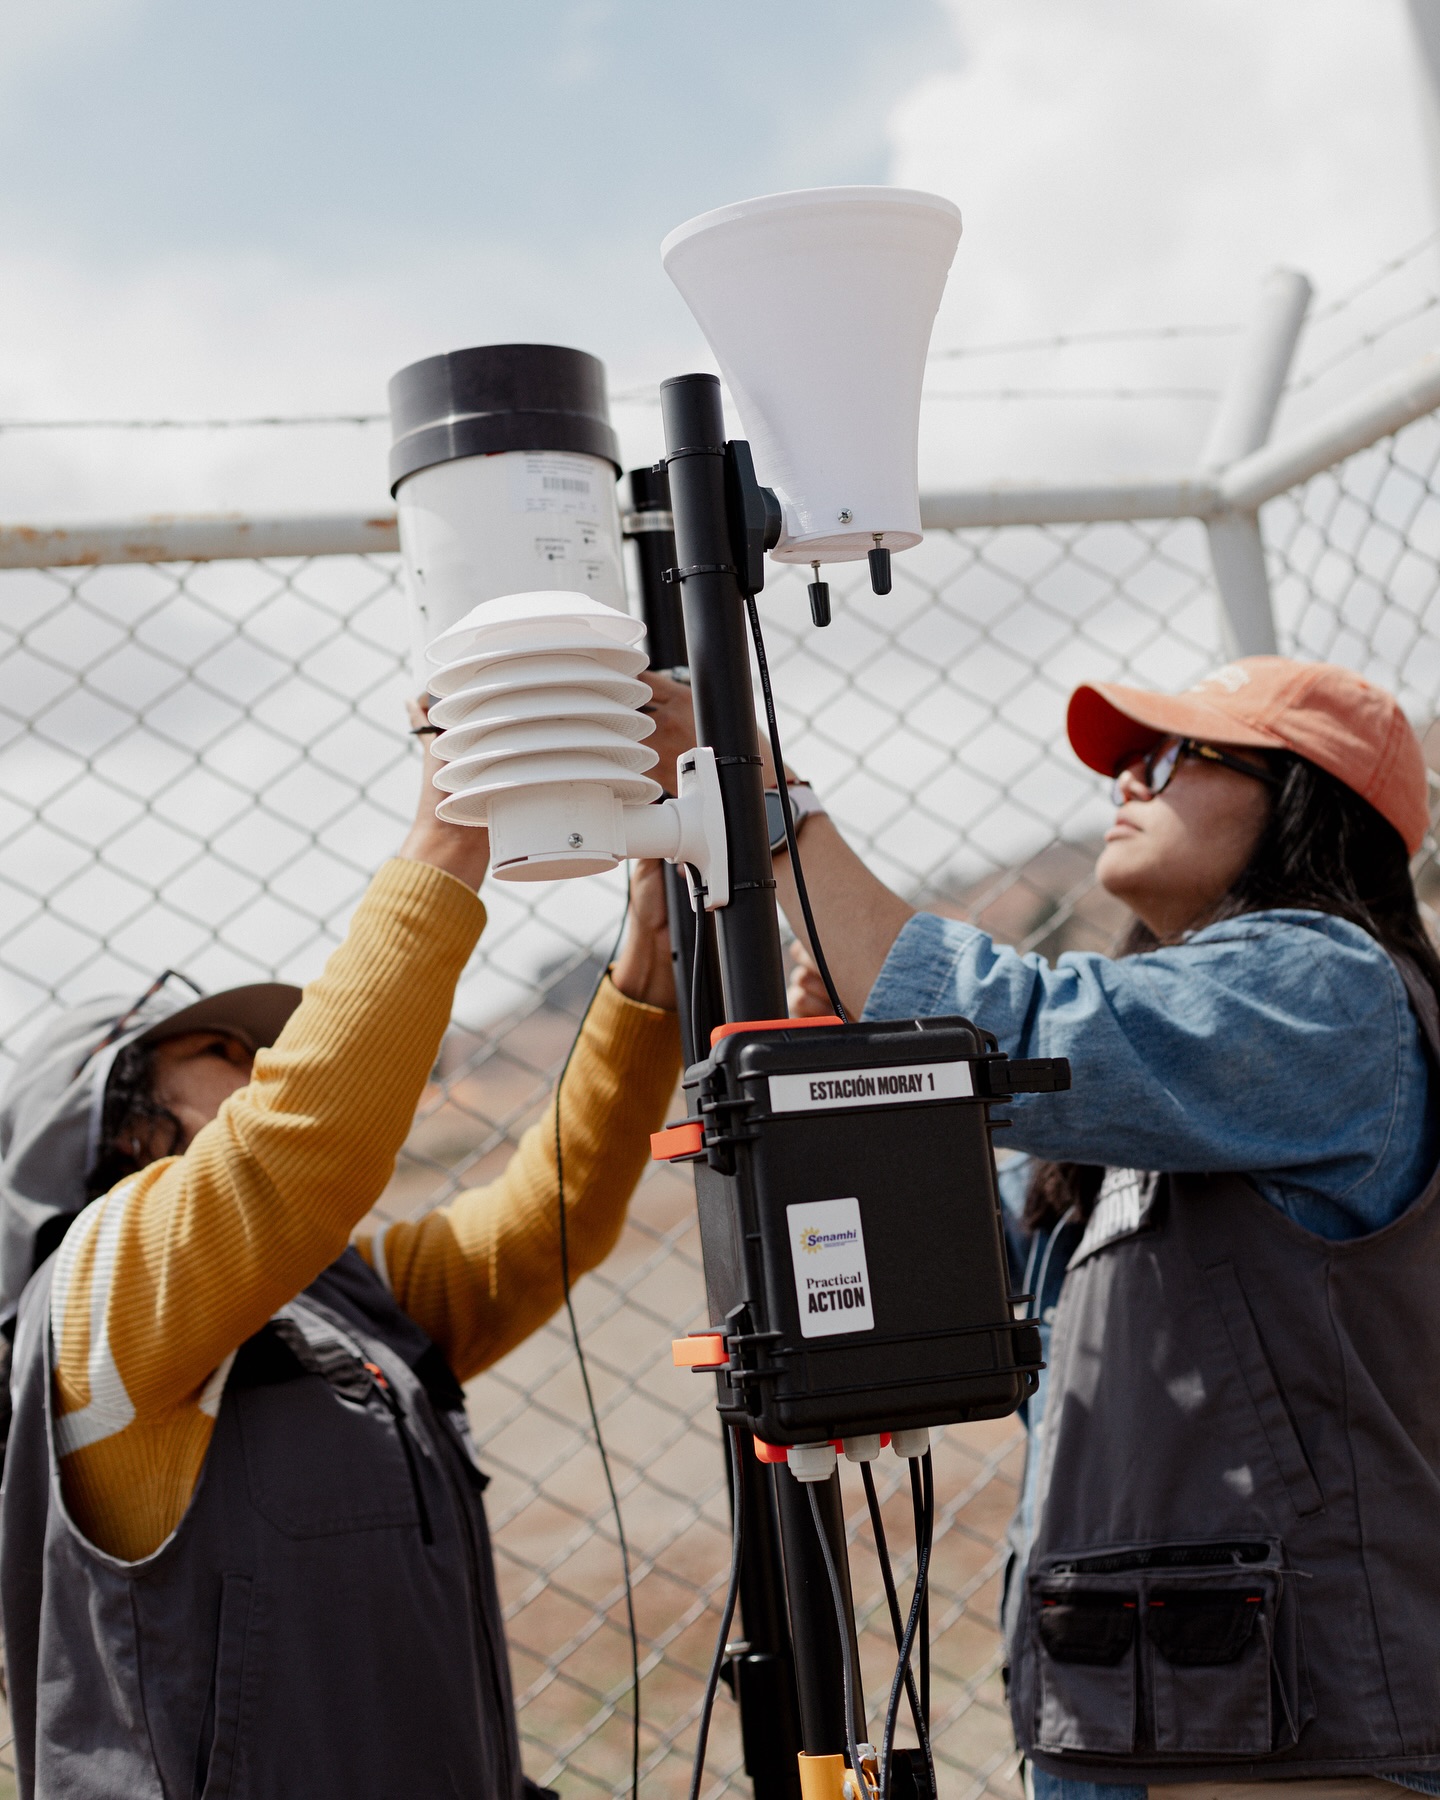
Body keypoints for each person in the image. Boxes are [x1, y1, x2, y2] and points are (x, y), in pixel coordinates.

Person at [0, 677, 692, 1799]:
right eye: (225, 1057)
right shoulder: (98, 1304)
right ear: (115, 1117)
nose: (261, 1072)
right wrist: (449, 843)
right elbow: (295, 1152)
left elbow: (537, 1228)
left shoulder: (326, 1301)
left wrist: (642, 986)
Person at [772, 656, 1440, 1795]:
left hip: (1293, 1740)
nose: (1127, 783)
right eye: (1125, 763)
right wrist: (860, 1068)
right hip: (1145, 1701)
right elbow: (963, 1265)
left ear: (1305, 799)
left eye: (1169, 756)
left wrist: (776, 821)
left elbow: (1012, 1023)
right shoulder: (1146, 1100)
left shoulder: (1331, 993)